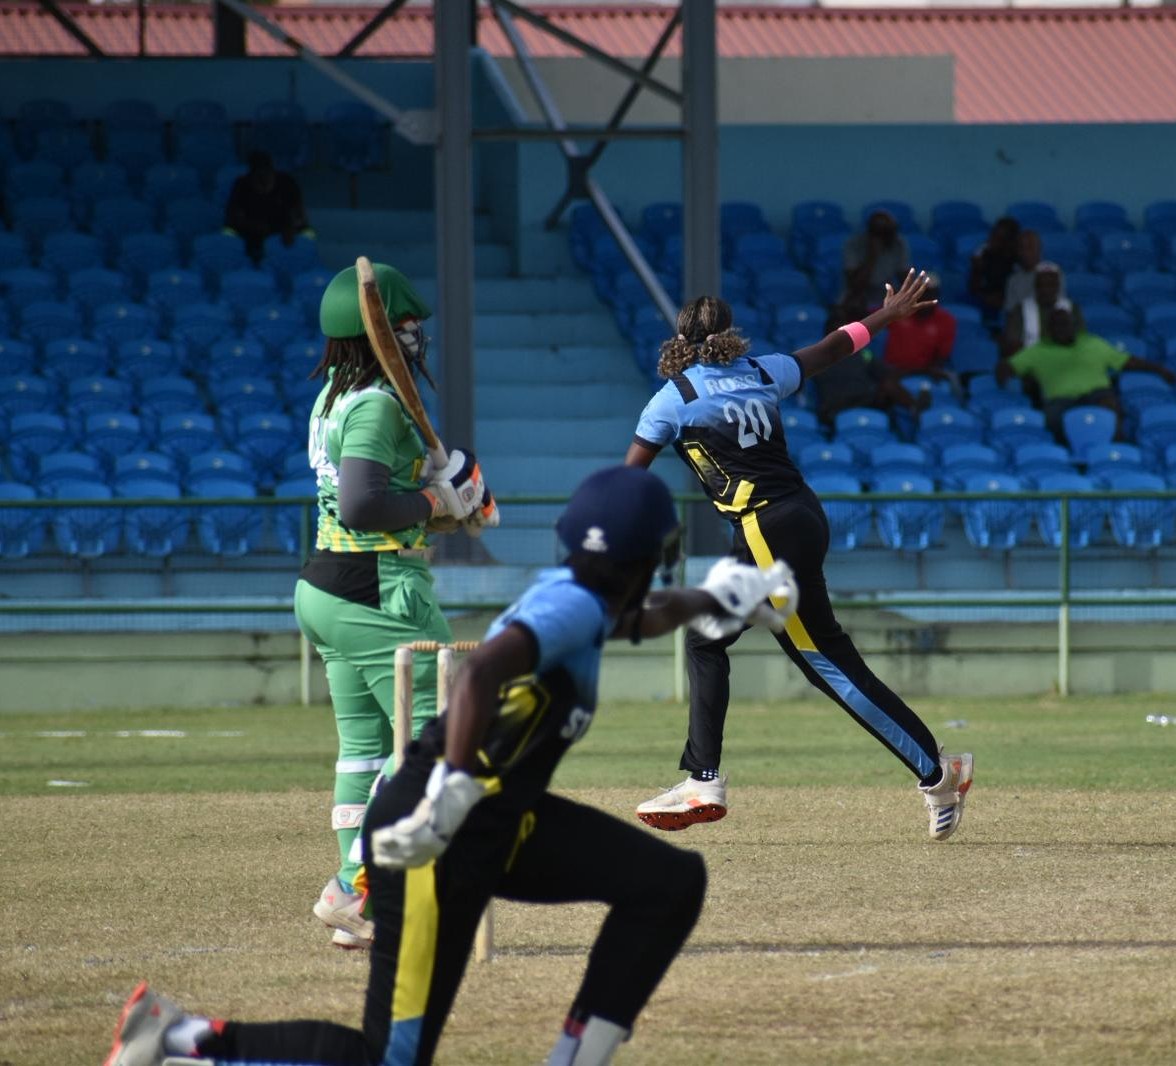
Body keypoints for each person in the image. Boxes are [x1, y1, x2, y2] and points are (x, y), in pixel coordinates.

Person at [103, 465, 797, 1066]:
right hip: (436, 828)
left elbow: (641, 613)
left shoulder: (586, 596)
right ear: (650, 555)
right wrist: (456, 787)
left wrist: (723, 598)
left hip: (492, 823)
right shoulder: (574, 605)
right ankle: (177, 1039)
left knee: (669, 882)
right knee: (388, 1060)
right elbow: (480, 675)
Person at [625, 270, 974, 842]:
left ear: (680, 340)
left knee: (828, 665)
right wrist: (885, 317)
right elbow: (834, 347)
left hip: (765, 527)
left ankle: (939, 773)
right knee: (708, 637)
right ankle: (702, 777)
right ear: (729, 335)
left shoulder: (675, 398)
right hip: (802, 515)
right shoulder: (762, 371)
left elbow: (626, 480)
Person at [298, 262, 496, 951]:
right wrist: (438, 502)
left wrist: (449, 503)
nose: (418, 336)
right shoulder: (379, 403)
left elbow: (372, 500)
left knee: (364, 749)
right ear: (384, 330)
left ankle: (366, 915)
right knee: (441, 736)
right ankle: (354, 886)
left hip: (326, 586)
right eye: (410, 324)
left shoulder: (332, 396)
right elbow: (362, 504)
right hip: (380, 589)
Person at [997, 305, 1175, 440]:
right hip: (1060, 401)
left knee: (1109, 403)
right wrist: (1003, 373)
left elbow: (1128, 362)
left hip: (1096, 395)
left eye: (1066, 324)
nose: (1063, 328)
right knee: (1052, 418)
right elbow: (1009, 366)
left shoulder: (1093, 343)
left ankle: (1116, 447)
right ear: (1049, 329)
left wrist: (1158, 369)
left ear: (1075, 326)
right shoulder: (1037, 351)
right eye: (1057, 325)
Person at [812, 301, 926, 426]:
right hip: (836, 407)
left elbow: (883, 371)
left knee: (888, 385)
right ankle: (914, 407)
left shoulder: (861, 353)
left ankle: (916, 408)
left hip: (864, 400)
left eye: (843, 333)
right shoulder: (818, 357)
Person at [224, 150, 312, 262]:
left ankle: (304, 262)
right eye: (259, 174)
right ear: (251, 174)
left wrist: (289, 228)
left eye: (266, 172)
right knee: (230, 235)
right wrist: (254, 227)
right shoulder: (241, 186)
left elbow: (299, 215)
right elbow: (235, 218)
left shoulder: (287, 184)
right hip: (250, 234)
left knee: (306, 234)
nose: (263, 178)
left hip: (285, 231)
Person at [881, 273, 958, 382]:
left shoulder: (946, 321)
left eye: (930, 294)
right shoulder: (896, 311)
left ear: (937, 295)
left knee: (952, 383)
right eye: (921, 293)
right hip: (891, 370)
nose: (925, 298)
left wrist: (916, 371)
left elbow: (941, 357)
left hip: (926, 372)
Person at [1000, 261, 1084, 358]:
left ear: (1058, 286)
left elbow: (1081, 341)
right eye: (1041, 285)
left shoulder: (1072, 309)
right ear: (1035, 286)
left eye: (1051, 285)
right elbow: (1012, 344)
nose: (1046, 290)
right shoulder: (1020, 310)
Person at [841, 209, 911, 309]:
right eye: (883, 233)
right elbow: (854, 286)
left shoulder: (898, 244)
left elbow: (904, 278)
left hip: (885, 292)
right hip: (858, 296)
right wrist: (872, 255)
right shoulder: (854, 244)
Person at [968, 216, 1021, 332]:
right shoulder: (983, 254)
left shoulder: (1018, 261)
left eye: (1000, 238)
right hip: (983, 299)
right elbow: (973, 288)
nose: (993, 240)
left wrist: (1002, 300)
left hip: (1007, 302)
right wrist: (977, 269)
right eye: (993, 235)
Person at [1002, 228, 1044, 312]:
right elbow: (1010, 311)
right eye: (1021, 248)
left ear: (1039, 249)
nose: (1025, 252)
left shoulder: (1053, 275)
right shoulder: (1013, 280)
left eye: (1030, 247)